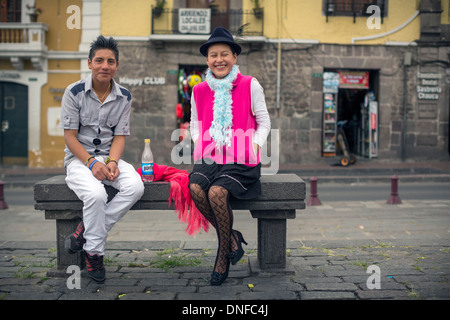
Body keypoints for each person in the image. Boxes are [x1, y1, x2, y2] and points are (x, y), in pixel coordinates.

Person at [189, 27, 271, 286]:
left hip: (240, 160)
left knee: (216, 194)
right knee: (195, 187)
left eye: (225, 54)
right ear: (207, 60)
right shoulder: (200, 89)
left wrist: (255, 146)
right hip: (210, 157)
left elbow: (264, 121)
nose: (219, 60)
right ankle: (232, 237)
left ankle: (222, 256)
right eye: (213, 55)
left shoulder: (250, 84)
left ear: (235, 57)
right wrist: (200, 143)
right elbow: (193, 123)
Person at [60, 35, 144, 283]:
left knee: (135, 186)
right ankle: (95, 254)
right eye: (99, 60)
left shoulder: (125, 96)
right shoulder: (73, 93)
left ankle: (85, 232)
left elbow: (119, 136)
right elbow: (70, 137)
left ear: (116, 65)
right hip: (79, 159)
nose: (104, 66)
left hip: (109, 157)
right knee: (96, 195)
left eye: (110, 61)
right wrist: (91, 163)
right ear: (89, 63)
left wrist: (113, 162)